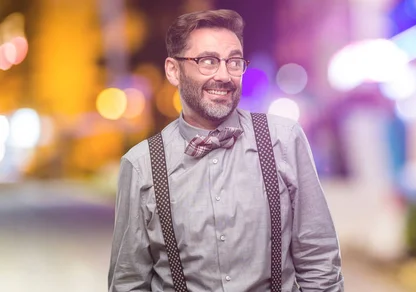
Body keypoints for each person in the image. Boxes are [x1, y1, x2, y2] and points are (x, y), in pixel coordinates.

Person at [108, 9, 344, 292]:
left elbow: (319, 261)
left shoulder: (283, 140)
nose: (224, 75)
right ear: (173, 70)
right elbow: (129, 282)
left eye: (233, 62)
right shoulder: (141, 164)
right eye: (207, 61)